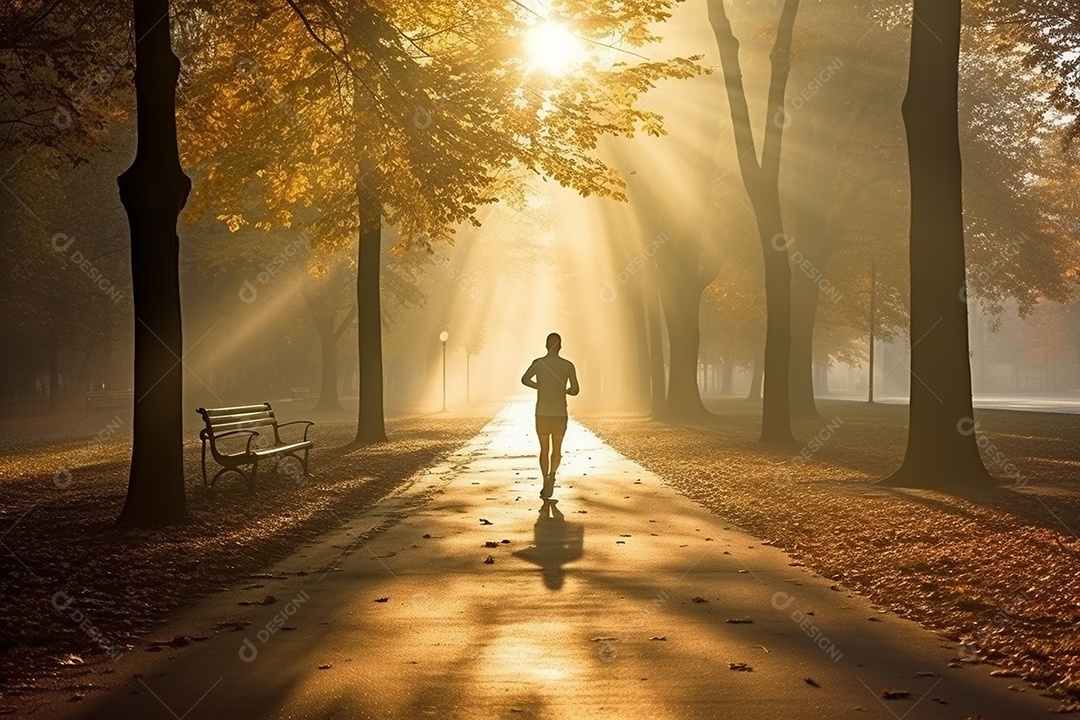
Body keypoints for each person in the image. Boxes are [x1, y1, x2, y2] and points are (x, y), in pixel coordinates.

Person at [521, 333, 580, 499]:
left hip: (542, 413)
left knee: (544, 449)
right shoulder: (568, 366)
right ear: (560, 346)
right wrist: (565, 390)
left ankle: (544, 480)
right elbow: (575, 389)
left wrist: (539, 386)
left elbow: (525, 379)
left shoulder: (539, 363)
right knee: (557, 449)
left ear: (546, 346)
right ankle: (553, 474)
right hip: (560, 413)